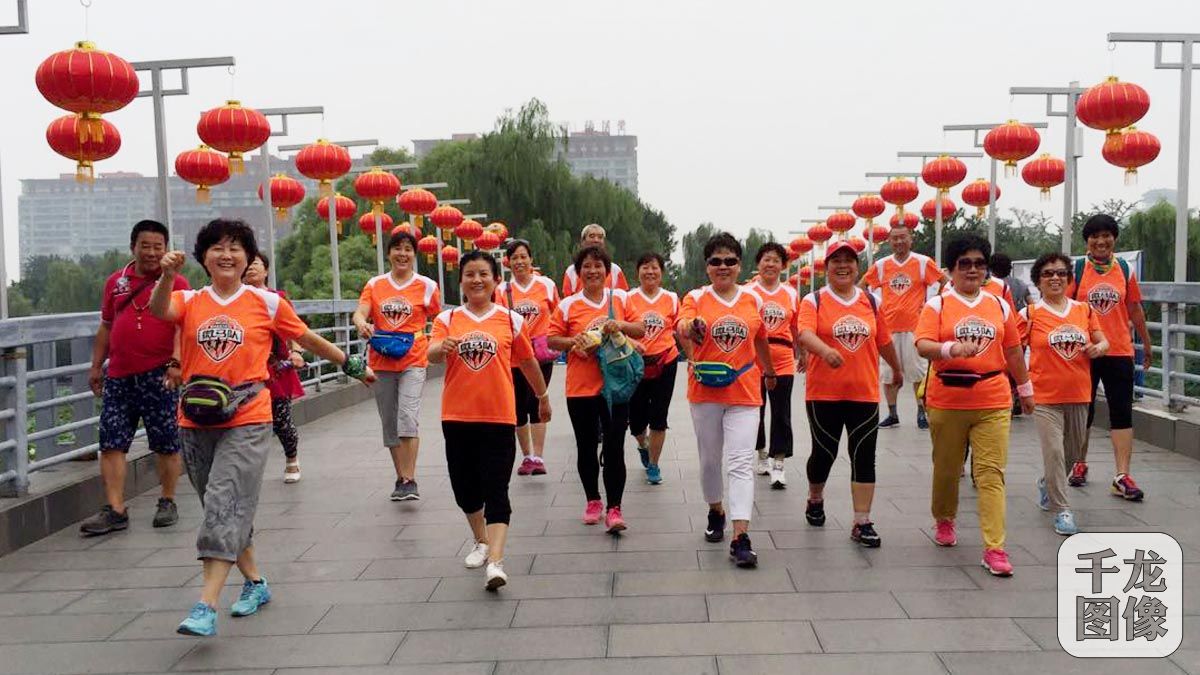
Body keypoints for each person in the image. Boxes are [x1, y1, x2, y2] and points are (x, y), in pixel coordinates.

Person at [149, 218, 374, 636]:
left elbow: (305, 338)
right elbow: (160, 310)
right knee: (225, 507)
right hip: (196, 416)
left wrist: (351, 364)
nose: (227, 254)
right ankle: (255, 583)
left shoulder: (265, 303)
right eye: (217, 247)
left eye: (236, 247)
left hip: (249, 414)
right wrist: (164, 275)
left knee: (223, 499)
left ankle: (206, 604)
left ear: (249, 257)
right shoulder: (191, 299)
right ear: (204, 257)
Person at [430, 250, 552, 590]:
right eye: (470, 274)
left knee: (497, 489)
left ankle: (496, 562)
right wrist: (442, 349)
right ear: (461, 282)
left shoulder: (511, 320)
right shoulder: (448, 320)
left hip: (499, 417)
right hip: (457, 416)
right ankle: (480, 540)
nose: (477, 279)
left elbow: (528, 363)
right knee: (465, 490)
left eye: (484, 273)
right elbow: (430, 352)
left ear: (497, 279)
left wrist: (542, 397)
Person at [915, 234, 1034, 577]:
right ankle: (944, 518)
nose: (972, 269)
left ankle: (994, 547)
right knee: (948, 467)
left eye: (979, 263)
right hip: (948, 397)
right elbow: (922, 345)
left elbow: (1013, 349)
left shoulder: (999, 305)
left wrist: (1024, 389)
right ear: (951, 269)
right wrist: (951, 349)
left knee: (990, 473)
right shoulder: (937, 305)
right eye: (964, 263)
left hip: (993, 397)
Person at [82, 220, 189, 536]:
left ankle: (167, 500)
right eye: (146, 245)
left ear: (166, 249)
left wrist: (177, 361)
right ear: (133, 247)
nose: (152, 252)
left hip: (160, 374)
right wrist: (95, 366)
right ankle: (115, 509)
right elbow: (106, 325)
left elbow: (184, 326)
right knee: (112, 441)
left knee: (166, 441)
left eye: (159, 246)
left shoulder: (178, 282)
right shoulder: (116, 282)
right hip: (119, 376)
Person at [677, 232, 777, 568]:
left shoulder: (753, 300)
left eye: (730, 261)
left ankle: (740, 536)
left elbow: (762, 338)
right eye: (716, 261)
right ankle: (715, 509)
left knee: (740, 463)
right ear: (707, 267)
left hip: (745, 392)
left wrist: (771, 371)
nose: (723, 267)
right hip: (705, 391)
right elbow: (681, 325)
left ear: (739, 265)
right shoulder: (695, 297)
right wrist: (692, 326)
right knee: (709, 461)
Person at [798, 241, 903, 547]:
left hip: (864, 393)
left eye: (848, 261)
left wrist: (896, 370)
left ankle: (862, 520)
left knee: (864, 455)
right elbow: (804, 334)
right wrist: (824, 350)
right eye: (836, 261)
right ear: (826, 267)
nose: (842, 266)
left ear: (857, 267)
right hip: (823, 394)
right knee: (824, 454)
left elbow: (883, 340)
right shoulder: (814, 300)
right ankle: (815, 497)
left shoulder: (871, 302)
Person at [547, 245, 645, 533]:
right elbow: (552, 340)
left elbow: (641, 328)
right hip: (580, 388)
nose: (592, 271)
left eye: (598, 266)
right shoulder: (568, 305)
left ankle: (615, 509)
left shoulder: (622, 299)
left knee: (615, 447)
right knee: (586, 447)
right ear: (578, 273)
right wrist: (575, 342)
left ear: (608, 271)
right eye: (586, 266)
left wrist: (620, 325)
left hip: (616, 387)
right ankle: (593, 500)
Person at [1021, 252, 1109, 536]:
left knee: (1072, 454)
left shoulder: (1083, 310)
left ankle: (1046, 484)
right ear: (1038, 281)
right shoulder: (1030, 315)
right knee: (1055, 452)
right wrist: (1019, 388)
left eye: (1060, 273)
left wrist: (1100, 348)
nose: (1055, 278)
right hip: (1045, 396)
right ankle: (1063, 510)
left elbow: (1103, 340)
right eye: (1048, 274)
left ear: (1069, 279)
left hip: (1080, 393)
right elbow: (1011, 350)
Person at [1068, 213, 1153, 500]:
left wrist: (1147, 344)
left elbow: (1135, 309)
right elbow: (1063, 308)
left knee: (1122, 412)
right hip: (1085, 352)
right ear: (1087, 241)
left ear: (1114, 239)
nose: (1101, 241)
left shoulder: (1125, 269)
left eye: (1107, 235)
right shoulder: (1077, 269)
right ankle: (1079, 463)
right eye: (1095, 236)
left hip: (1119, 351)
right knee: (1084, 411)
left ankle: (1122, 475)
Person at [352, 231, 441, 501]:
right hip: (381, 359)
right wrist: (361, 323)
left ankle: (409, 478)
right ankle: (401, 476)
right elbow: (360, 311)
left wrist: (438, 343)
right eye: (397, 249)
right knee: (389, 420)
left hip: (413, 357)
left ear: (414, 255)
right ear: (388, 253)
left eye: (408, 249)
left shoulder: (426, 285)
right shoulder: (375, 284)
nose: (402, 254)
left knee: (407, 416)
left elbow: (440, 318)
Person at [860, 225, 946, 430]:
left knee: (917, 372)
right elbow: (862, 286)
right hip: (888, 328)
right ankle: (892, 413)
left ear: (911, 239)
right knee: (888, 373)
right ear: (889, 241)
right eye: (894, 239)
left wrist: (933, 304)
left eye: (902, 238)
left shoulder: (923, 262)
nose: (899, 242)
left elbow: (945, 282)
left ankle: (921, 413)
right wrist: (873, 309)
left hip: (915, 327)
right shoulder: (882, 265)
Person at [496, 239, 559, 476]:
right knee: (518, 406)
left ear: (531, 259)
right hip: (514, 355)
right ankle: (526, 456)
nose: (520, 262)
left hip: (541, 354)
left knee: (537, 400)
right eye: (514, 258)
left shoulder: (546, 285)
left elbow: (557, 312)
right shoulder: (502, 290)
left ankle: (538, 456)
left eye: (523, 256)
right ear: (508, 262)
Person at [243, 253, 306, 483]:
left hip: (276, 368)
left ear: (266, 270)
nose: (251, 268)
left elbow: (295, 330)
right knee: (245, 420)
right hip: (246, 369)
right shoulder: (237, 300)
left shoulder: (276, 299)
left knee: (281, 419)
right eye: (247, 265)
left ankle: (292, 458)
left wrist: (297, 352)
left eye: (256, 264)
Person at [745, 242, 801, 488]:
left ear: (783, 266)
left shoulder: (790, 293)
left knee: (781, 412)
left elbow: (797, 326)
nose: (770, 264)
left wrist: (804, 353)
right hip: (754, 358)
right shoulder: (748, 292)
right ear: (758, 264)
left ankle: (779, 463)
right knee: (755, 409)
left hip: (783, 357)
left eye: (776, 260)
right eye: (766, 259)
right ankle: (761, 454)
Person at [625, 252, 680, 485]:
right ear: (638, 272)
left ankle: (654, 465)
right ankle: (643, 444)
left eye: (655, 268)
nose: (650, 272)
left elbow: (679, 328)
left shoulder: (671, 298)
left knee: (659, 416)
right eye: (645, 267)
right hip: (634, 364)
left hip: (665, 361)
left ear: (662, 272)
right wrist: (630, 343)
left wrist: (695, 356)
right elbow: (618, 329)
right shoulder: (627, 298)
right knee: (636, 420)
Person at [560, 223, 629, 296]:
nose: (596, 240)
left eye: (600, 237)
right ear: (583, 241)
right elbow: (567, 298)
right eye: (592, 236)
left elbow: (623, 299)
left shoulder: (615, 270)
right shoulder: (571, 271)